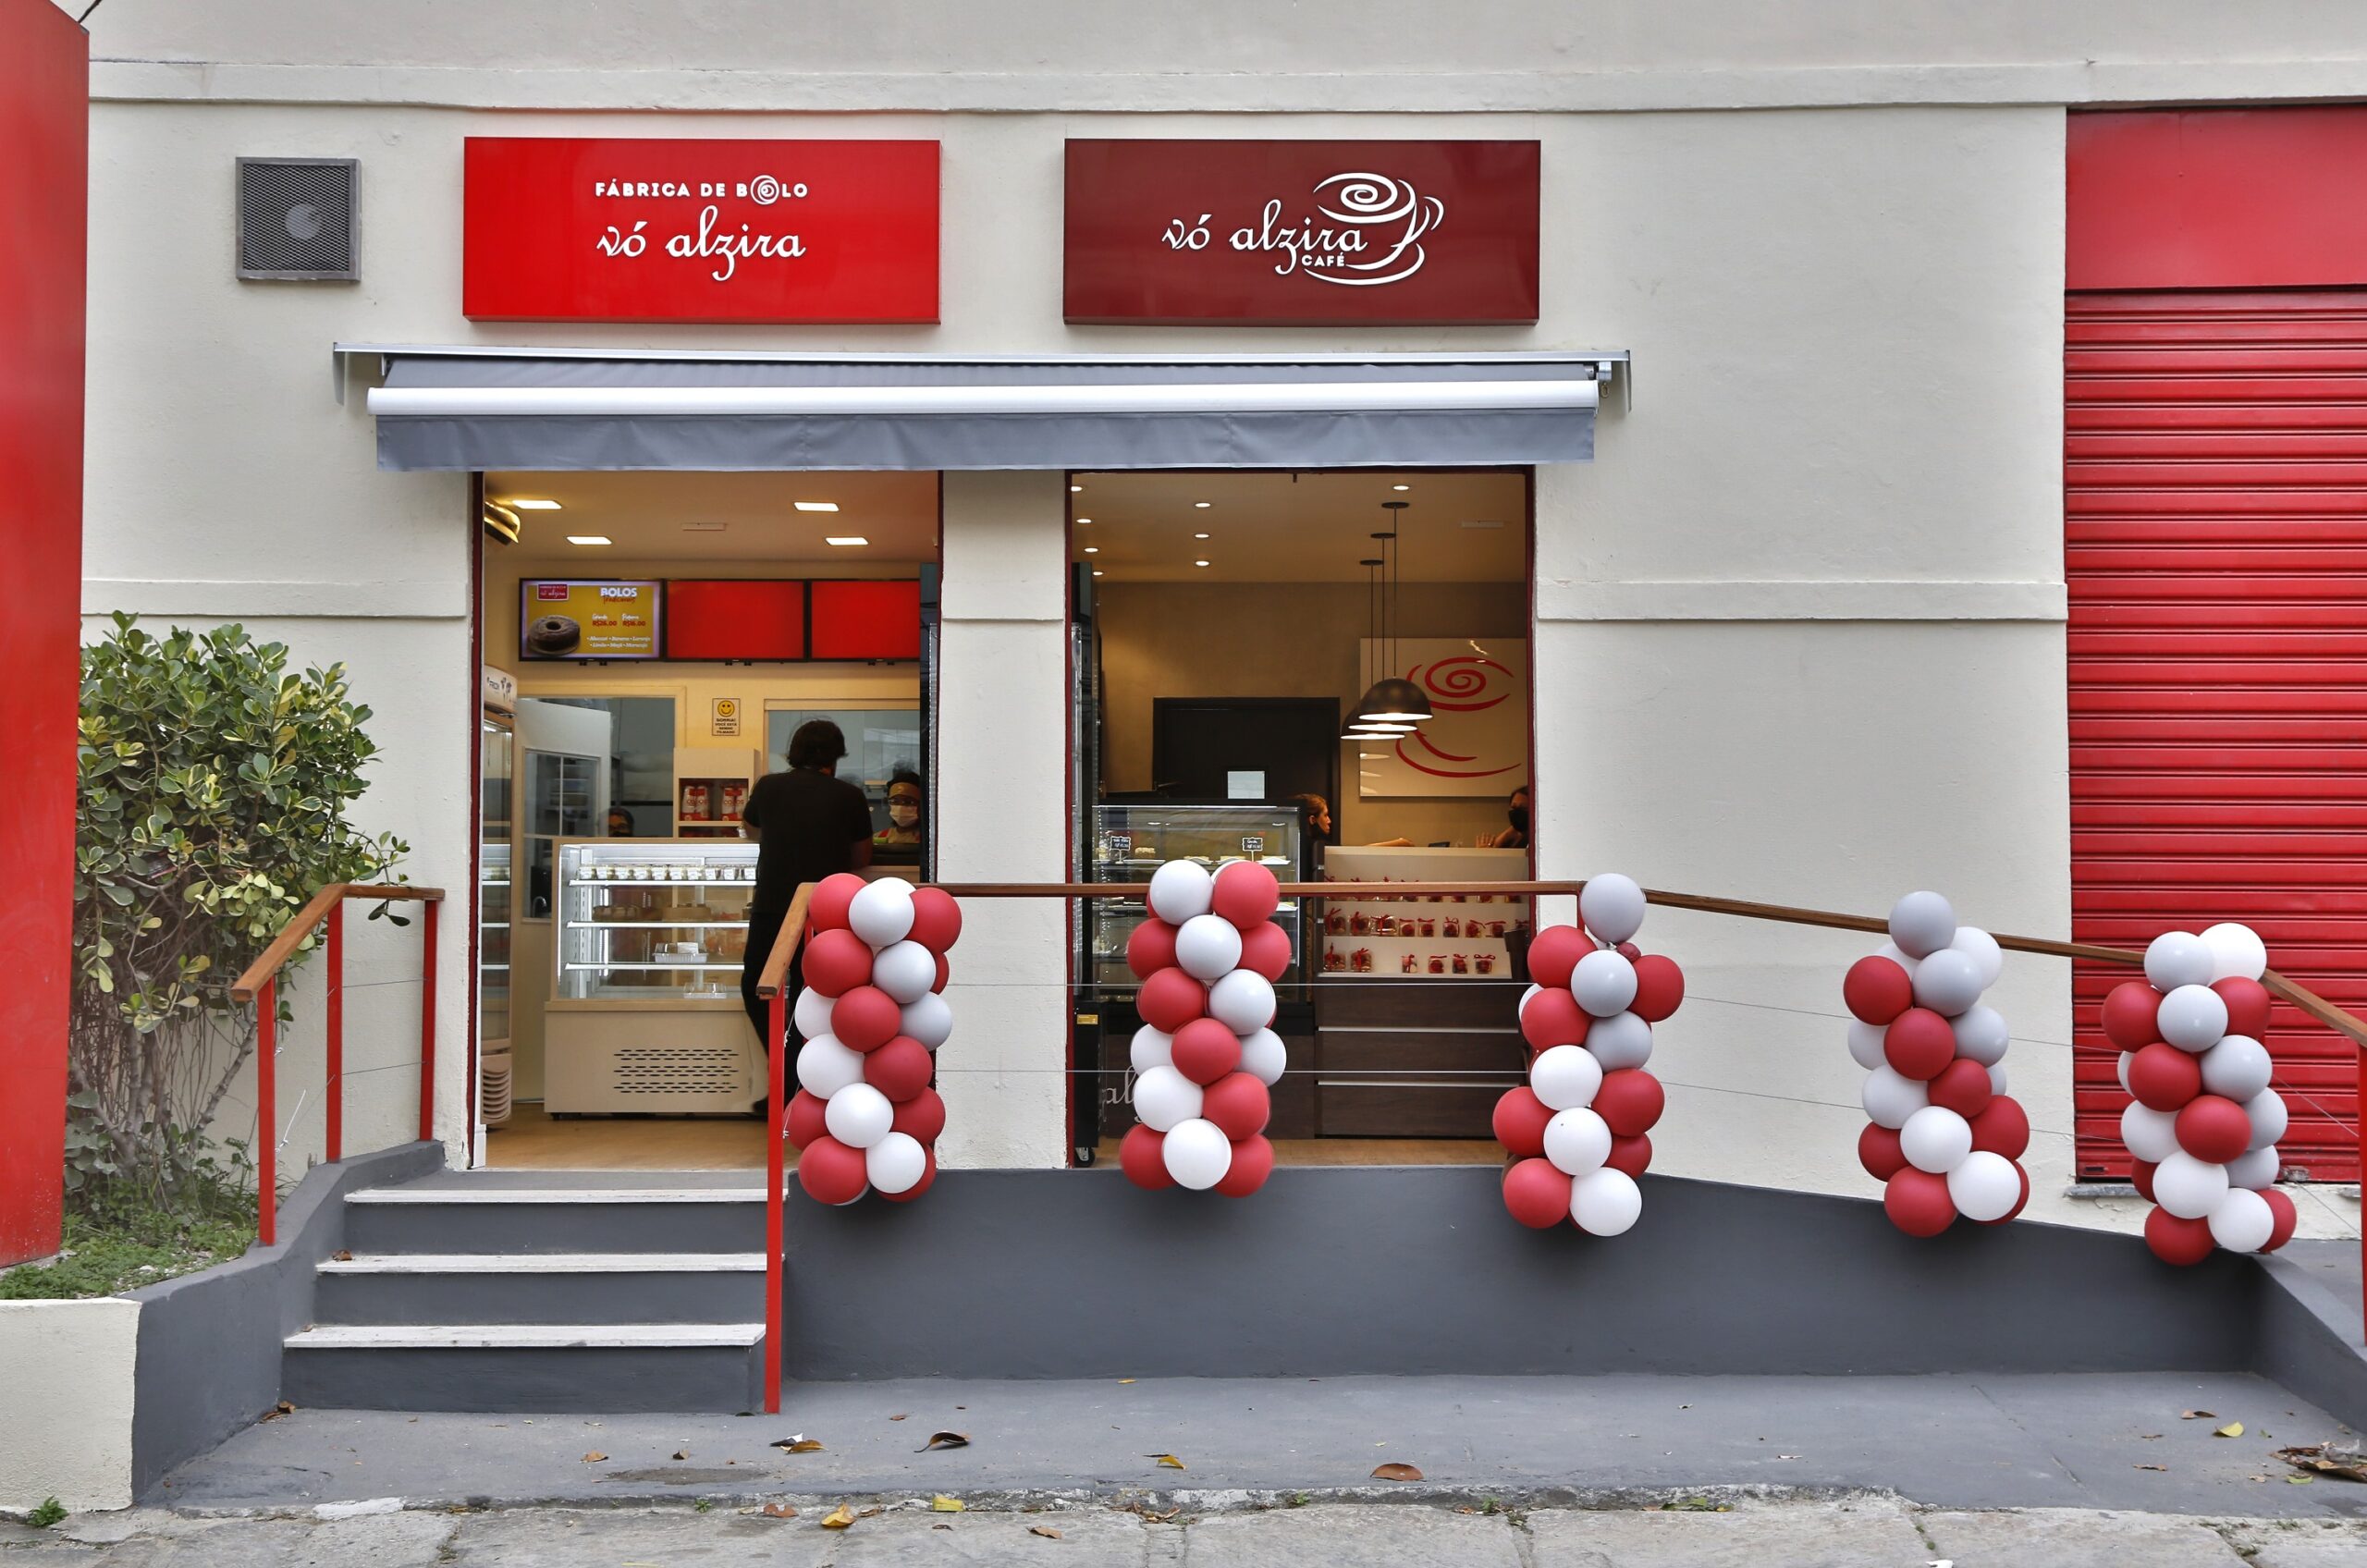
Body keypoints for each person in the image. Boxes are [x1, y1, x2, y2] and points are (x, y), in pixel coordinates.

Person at [739, 720, 874, 1089]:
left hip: (771, 907)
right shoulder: (849, 796)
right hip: (827, 914)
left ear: (794, 751)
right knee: (811, 997)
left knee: (758, 987)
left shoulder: (768, 787)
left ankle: (782, 1076)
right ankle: (802, 1080)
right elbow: (861, 857)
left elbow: (751, 829)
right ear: (836, 755)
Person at [875, 767, 926, 846]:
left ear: (921, 805)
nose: (900, 807)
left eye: (908, 802)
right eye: (895, 801)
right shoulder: (879, 838)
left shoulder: (928, 841)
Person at [1490, 785, 1531, 850]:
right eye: (1513, 807)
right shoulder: (1512, 836)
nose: (1517, 812)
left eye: (1523, 808)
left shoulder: (1536, 840)